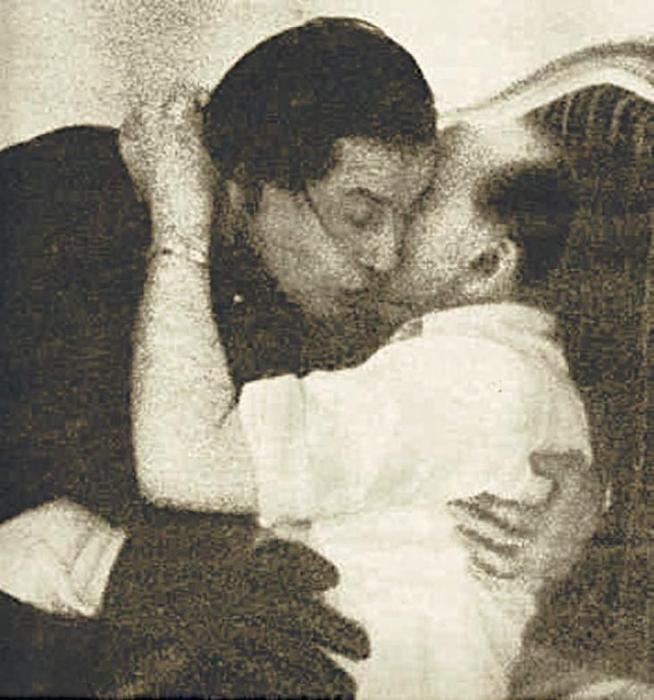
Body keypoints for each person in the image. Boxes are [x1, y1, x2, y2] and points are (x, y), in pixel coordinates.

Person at [0, 17, 601, 697]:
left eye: (408, 217)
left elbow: (474, 413)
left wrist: (571, 499)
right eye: (361, 215)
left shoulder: (342, 306)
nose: (385, 257)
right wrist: (111, 570)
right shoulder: (57, 196)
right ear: (253, 182)